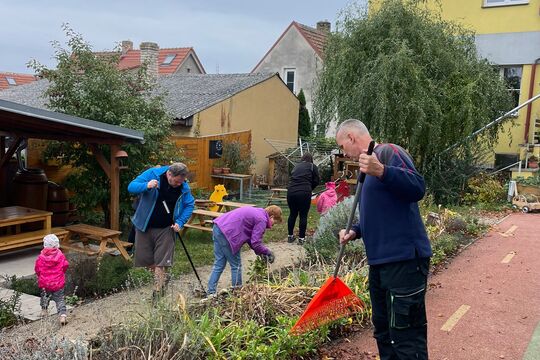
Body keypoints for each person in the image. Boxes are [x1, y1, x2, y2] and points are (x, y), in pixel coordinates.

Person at [336, 119, 432, 360]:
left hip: (405, 261)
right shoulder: (364, 171)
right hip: (379, 264)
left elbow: (417, 187)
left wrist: (382, 170)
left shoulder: (388, 152)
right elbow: (378, 215)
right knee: (384, 333)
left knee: (405, 336)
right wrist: (356, 231)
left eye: (342, 147)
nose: (343, 153)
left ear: (351, 137)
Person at [128, 162, 195, 303]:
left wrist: (180, 222)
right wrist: (146, 186)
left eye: (181, 182)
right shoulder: (152, 174)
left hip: (167, 228)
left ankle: (157, 293)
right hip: (144, 225)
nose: (178, 184)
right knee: (144, 260)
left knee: (161, 262)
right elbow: (131, 187)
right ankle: (164, 278)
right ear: (169, 174)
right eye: (176, 182)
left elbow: (189, 204)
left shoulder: (183, 186)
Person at [206, 205, 282, 295]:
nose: (272, 225)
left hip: (218, 227)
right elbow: (256, 243)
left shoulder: (258, 212)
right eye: (275, 222)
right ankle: (237, 294)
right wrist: (267, 252)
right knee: (236, 266)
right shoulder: (262, 219)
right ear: (271, 216)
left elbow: (251, 239)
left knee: (219, 263)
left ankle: (210, 292)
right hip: (228, 234)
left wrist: (260, 253)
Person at [34, 234, 69, 325]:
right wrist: (61, 273)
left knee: (44, 297)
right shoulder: (60, 256)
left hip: (45, 283)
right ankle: (62, 316)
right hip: (58, 283)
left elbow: (37, 269)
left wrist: (40, 276)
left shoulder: (41, 257)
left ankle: (44, 311)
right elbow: (65, 265)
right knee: (60, 299)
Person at [287, 153, 320, 245]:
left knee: (292, 214)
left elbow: (292, 178)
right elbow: (317, 181)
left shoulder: (296, 166)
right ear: (311, 159)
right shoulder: (312, 166)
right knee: (303, 215)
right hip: (304, 192)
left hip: (291, 192)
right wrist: (310, 188)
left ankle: (290, 236)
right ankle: (301, 239)